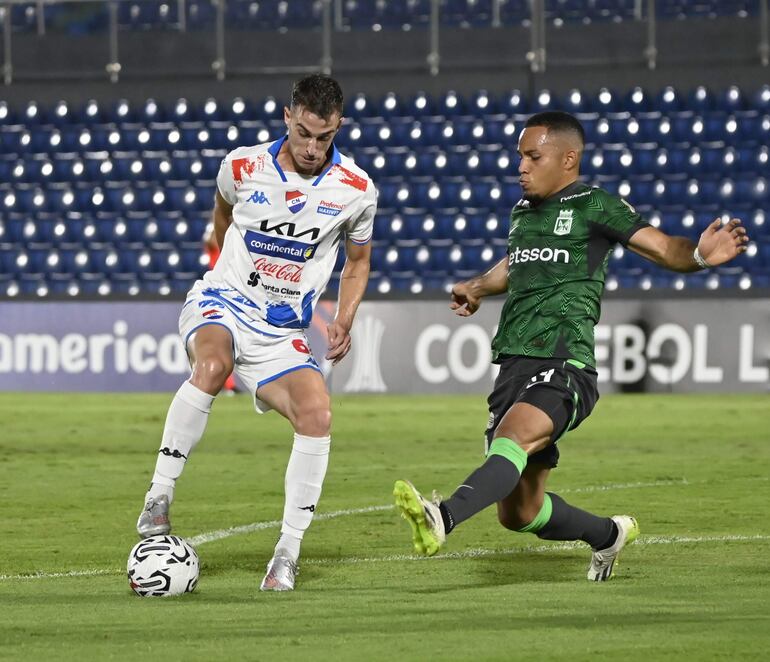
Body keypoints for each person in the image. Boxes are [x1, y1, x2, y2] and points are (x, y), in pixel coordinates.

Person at [394, 110, 748, 581]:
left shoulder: (594, 205)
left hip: (565, 360)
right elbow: (517, 263)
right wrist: (478, 286)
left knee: (512, 437)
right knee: (519, 512)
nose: (520, 166)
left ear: (567, 159)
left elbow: (663, 248)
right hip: (513, 364)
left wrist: (702, 255)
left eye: (532, 156)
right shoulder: (523, 213)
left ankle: (444, 516)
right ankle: (608, 535)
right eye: (520, 156)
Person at [137, 74, 376, 592]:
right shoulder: (243, 165)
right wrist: (230, 271)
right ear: (288, 117)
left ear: (338, 128)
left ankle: (287, 554)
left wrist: (345, 316)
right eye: (305, 133)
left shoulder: (356, 190)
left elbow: (357, 263)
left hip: (281, 330)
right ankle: (159, 496)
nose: (313, 148)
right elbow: (222, 217)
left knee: (318, 413)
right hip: (222, 301)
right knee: (212, 365)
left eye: (325, 137)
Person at [203, 226, 238, 394]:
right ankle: (225, 384)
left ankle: (228, 384)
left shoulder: (232, 246)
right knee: (221, 342)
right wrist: (215, 220)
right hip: (218, 294)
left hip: (234, 293)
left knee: (229, 343)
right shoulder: (214, 244)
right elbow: (210, 241)